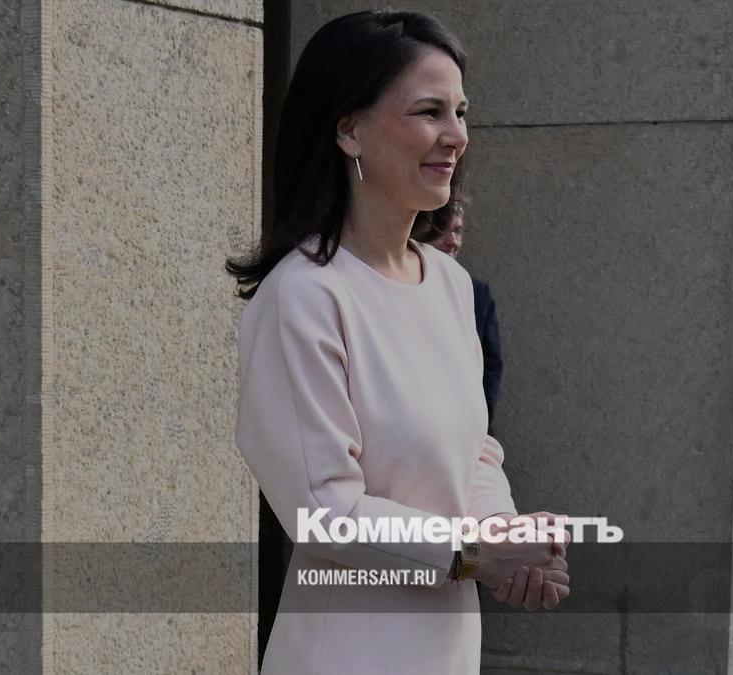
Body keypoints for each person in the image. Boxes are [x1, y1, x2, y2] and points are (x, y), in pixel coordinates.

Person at [225, 11, 568, 673]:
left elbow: (472, 453)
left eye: (461, 112)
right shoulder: (305, 296)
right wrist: (476, 554)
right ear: (348, 129)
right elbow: (325, 513)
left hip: (447, 646)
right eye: (429, 111)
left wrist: (505, 533)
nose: (456, 136)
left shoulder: (449, 283)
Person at [416, 199, 503, 433]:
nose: (452, 241)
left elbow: (490, 369)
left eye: (457, 230)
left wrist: (478, 428)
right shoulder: (397, 290)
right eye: (442, 230)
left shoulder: (477, 294)